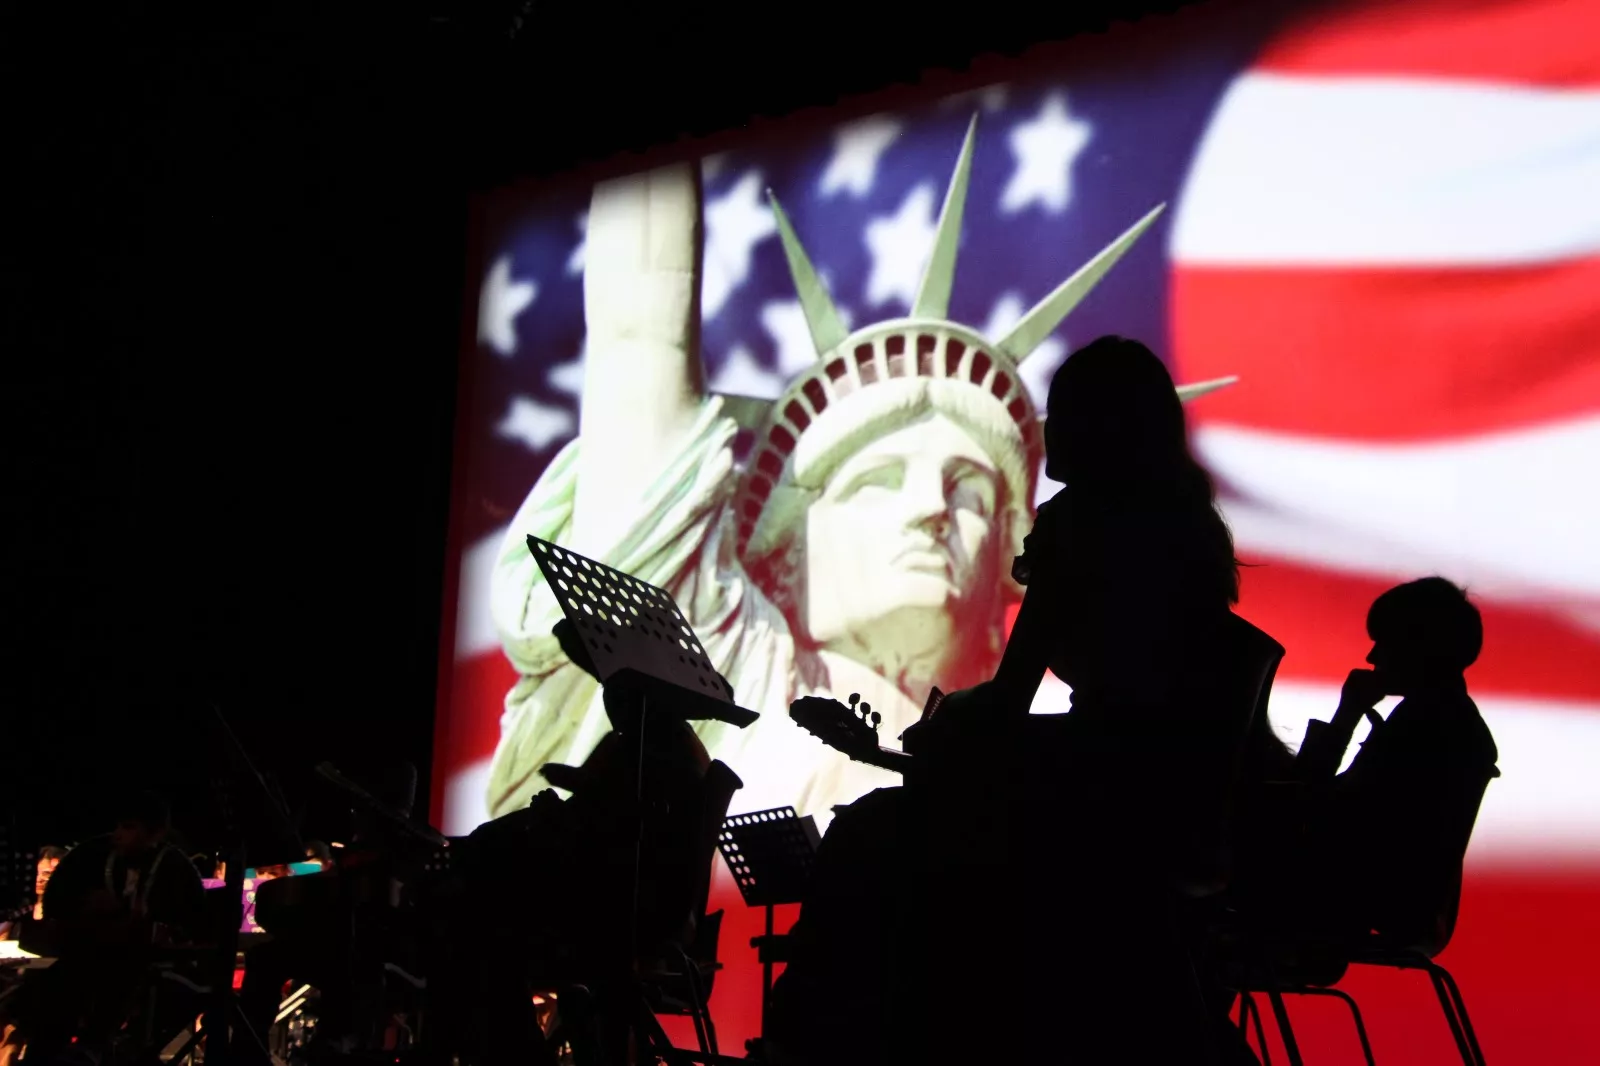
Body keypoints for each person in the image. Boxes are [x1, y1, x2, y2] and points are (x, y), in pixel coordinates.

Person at [483, 120, 1233, 824]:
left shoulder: (1079, 530)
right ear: (788, 546)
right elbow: (637, 336)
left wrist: (952, 732)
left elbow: (1013, 697)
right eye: (877, 481)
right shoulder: (740, 658)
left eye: (969, 490)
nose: (928, 510)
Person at [1299, 577, 1499, 950]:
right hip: (1398, 908)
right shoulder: (1445, 720)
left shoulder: (1427, 726)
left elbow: (1316, 805)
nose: (1372, 658)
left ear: (1419, 648)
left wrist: (1346, 716)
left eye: (1384, 643)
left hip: (1358, 901)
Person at [15, 794, 205, 1062]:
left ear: (155, 833)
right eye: (117, 826)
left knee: (123, 978)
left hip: (153, 971)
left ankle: (92, 1047)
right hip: (88, 958)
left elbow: (190, 925)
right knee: (53, 987)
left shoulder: (176, 869)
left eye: (128, 828)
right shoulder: (90, 858)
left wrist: (138, 920)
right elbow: (59, 906)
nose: (117, 835)